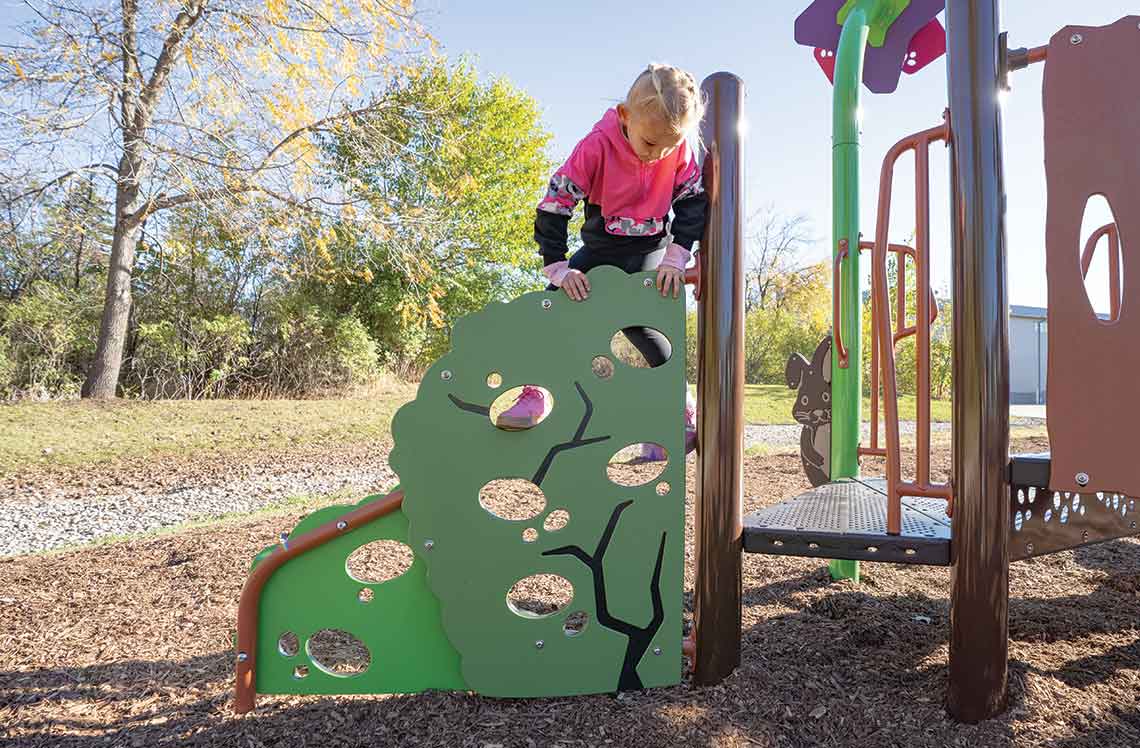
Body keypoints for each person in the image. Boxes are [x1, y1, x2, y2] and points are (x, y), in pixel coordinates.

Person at [496, 63, 707, 459]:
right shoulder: (597, 146)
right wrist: (559, 268)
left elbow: (693, 204)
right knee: (551, 313)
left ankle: (678, 415)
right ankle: (534, 395)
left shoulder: (677, 152)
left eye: (669, 145)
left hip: (651, 253)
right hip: (601, 250)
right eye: (650, 143)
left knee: (648, 333)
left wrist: (677, 257)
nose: (657, 154)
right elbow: (555, 204)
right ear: (625, 117)